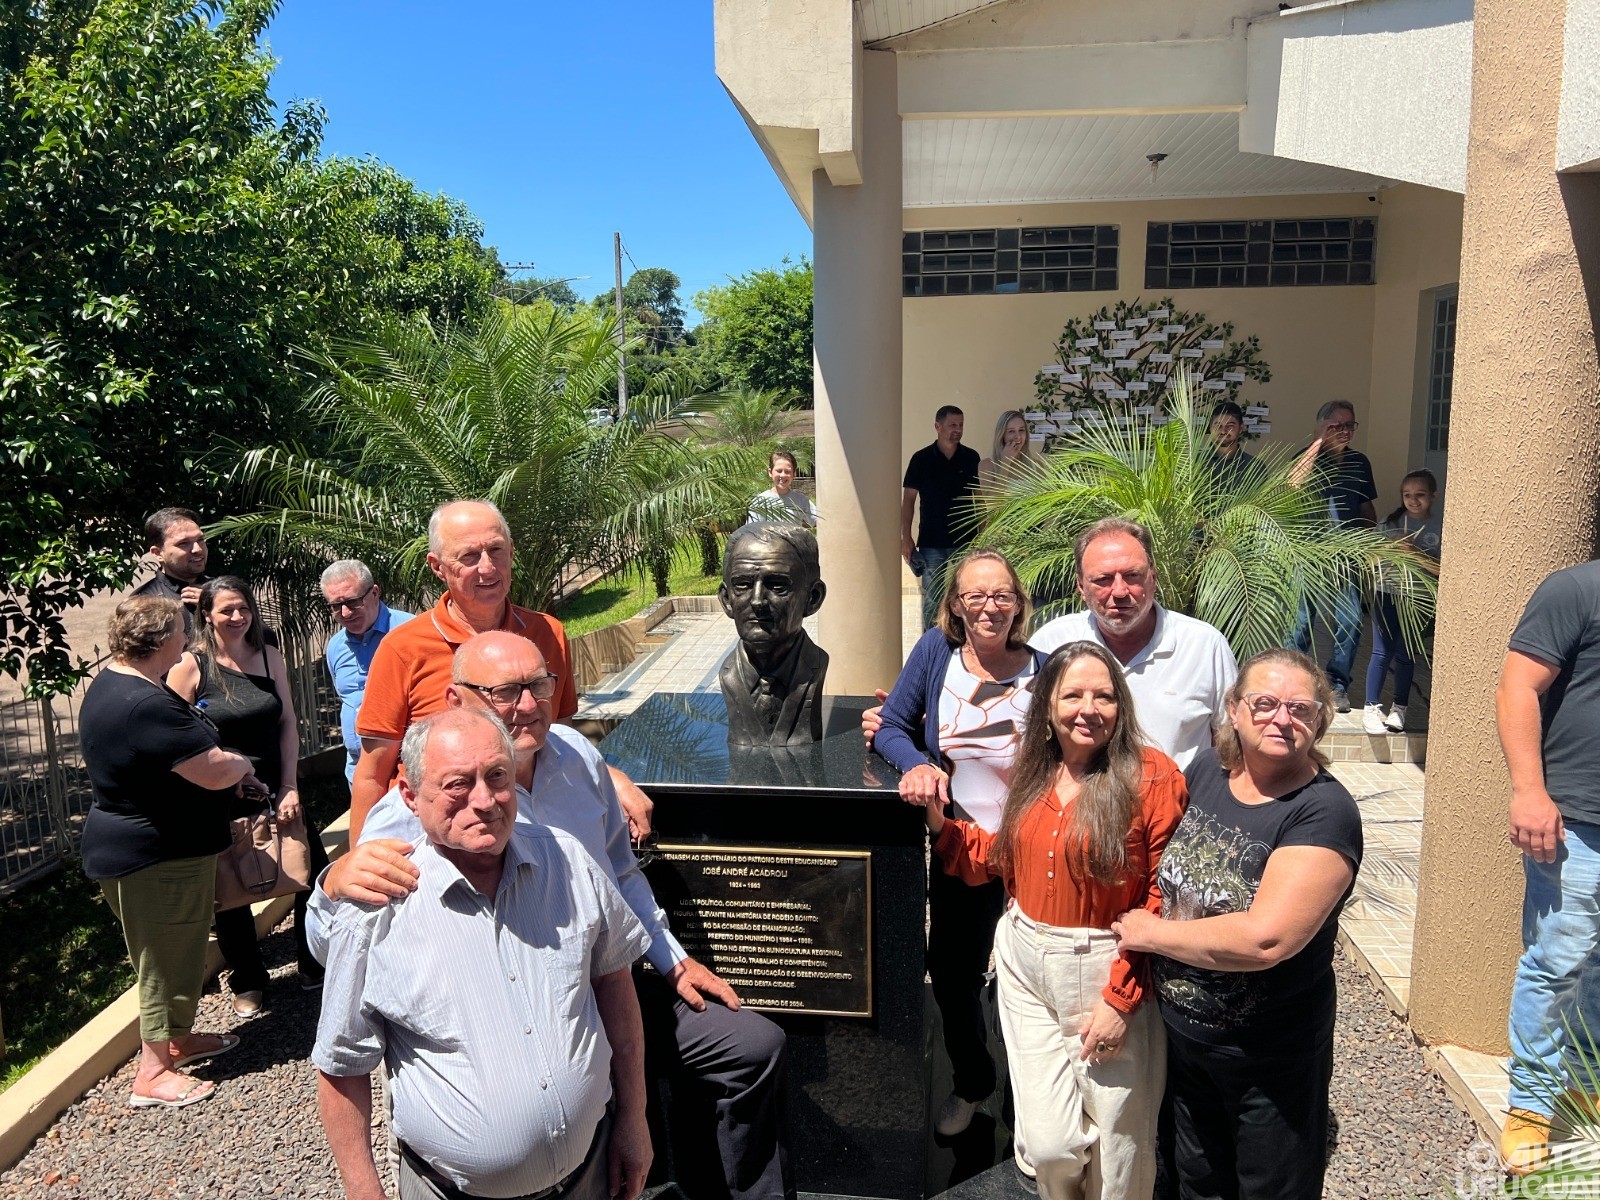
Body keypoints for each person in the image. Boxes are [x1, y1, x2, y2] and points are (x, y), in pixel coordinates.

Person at [311, 632, 795, 1200]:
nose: (527, 704)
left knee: (751, 1043)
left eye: (539, 686)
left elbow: (620, 875)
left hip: (596, 984)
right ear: (456, 699)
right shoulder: (400, 819)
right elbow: (339, 956)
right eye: (505, 691)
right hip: (470, 1118)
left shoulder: (578, 769)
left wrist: (674, 961)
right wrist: (331, 885)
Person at [313, 708, 654, 1200]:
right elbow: (342, 1065)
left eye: (498, 776)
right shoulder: (374, 909)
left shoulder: (568, 862)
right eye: (457, 784)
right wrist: (364, 1191)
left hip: (590, 1173)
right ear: (410, 795)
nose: (485, 801)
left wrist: (634, 1122)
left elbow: (615, 988)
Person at [905, 642, 1186, 1199]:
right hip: (1024, 960)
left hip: (1106, 965)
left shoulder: (1153, 777)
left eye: (1104, 695)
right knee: (1050, 1146)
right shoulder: (1035, 767)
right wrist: (942, 825)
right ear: (1048, 704)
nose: (1089, 708)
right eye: (1072, 694)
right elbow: (1003, 856)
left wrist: (1121, 998)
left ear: (1121, 704)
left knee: (1118, 1143)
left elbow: (1162, 899)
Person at [1112, 648, 1363, 1200]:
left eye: (1301, 708)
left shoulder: (1322, 812)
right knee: (1196, 1181)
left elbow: (1265, 938)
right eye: (1265, 703)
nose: (1282, 719)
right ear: (1234, 709)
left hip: (1268, 1057)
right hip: (1184, 1042)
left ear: (1319, 720)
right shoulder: (1207, 771)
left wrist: (1151, 936)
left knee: (1269, 1189)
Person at [350, 499, 652, 844]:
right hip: (438, 840)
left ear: (511, 551)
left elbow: (557, 744)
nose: (487, 567)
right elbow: (373, 773)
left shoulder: (547, 633)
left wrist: (610, 777)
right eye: (468, 556)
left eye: (496, 550)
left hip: (537, 833)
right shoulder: (402, 649)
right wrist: (355, 860)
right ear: (437, 566)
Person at [875, 550, 1048, 1137]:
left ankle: (1032, 1100)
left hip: (1037, 849)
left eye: (1001, 595)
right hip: (962, 846)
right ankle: (973, 1083)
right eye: (974, 595)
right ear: (953, 604)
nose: (988, 606)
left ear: (1019, 603)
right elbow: (893, 724)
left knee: (1034, 974)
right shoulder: (936, 653)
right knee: (953, 973)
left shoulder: (1045, 671)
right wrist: (919, 768)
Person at [79, 595, 261, 1108]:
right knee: (165, 959)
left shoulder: (118, 685)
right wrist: (242, 765)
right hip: (154, 856)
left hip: (149, 848)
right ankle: (153, 1073)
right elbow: (210, 769)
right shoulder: (147, 704)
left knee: (179, 955)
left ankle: (175, 1039)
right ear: (162, 641)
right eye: (183, 632)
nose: (189, 640)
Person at [169, 577, 329, 1012]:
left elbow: (288, 725)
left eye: (243, 608)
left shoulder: (269, 656)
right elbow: (177, 736)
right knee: (230, 887)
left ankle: (312, 961)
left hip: (278, 788)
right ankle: (248, 978)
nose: (237, 618)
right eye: (226, 611)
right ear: (206, 614)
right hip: (221, 793)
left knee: (313, 873)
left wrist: (290, 785)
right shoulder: (190, 666)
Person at [1495, 562, 1600, 1174]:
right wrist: (1528, 790)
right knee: (1558, 961)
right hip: (1578, 820)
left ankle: (1584, 1091)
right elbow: (1517, 687)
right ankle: (1530, 1107)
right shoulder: (1577, 589)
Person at [1031, 518, 1238, 768]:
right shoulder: (1052, 642)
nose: (1119, 591)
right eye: (1103, 580)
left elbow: (1230, 739)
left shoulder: (1204, 646)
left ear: (1153, 576)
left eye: (1132, 576)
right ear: (1081, 587)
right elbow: (1027, 732)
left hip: (1179, 804)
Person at [1289, 401, 1377, 711]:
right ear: (1322, 426)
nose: (1344, 432)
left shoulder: (1360, 463)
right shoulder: (1305, 458)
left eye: (1350, 425)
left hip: (1345, 556)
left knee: (1351, 621)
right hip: (1308, 555)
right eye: (1336, 426)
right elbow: (1291, 487)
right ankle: (1294, 680)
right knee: (1299, 624)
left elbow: (1366, 506)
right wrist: (1318, 444)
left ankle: (1337, 684)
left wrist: (1370, 544)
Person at [719, 522, 829, 746]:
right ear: (726, 600)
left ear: (813, 598)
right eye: (742, 585)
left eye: (777, 585)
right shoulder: (728, 674)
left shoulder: (816, 665)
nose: (757, 600)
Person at [1361, 470, 1442, 735]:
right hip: (1387, 592)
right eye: (1407, 495)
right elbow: (1369, 561)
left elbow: (1442, 570)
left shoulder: (1440, 527)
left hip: (1417, 598)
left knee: (1406, 655)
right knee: (1381, 652)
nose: (1413, 500)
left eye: (1420, 495)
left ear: (1432, 496)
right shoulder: (1389, 523)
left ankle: (1399, 709)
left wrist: (1414, 553)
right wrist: (1389, 551)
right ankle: (1372, 707)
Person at [321, 558, 412, 786]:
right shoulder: (336, 647)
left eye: (352, 602)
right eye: (335, 606)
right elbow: (346, 699)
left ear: (374, 593)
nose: (345, 613)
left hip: (405, 771)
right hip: (358, 773)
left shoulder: (411, 633)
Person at [903, 405, 982, 630]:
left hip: (966, 541)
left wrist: (984, 533)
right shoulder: (921, 459)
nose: (958, 430)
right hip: (931, 542)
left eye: (961, 425)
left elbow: (980, 499)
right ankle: (931, 646)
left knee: (965, 594)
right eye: (952, 425)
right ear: (938, 427)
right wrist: (906, 537)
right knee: (933, 598)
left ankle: (963, 640)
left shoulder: (971, 457)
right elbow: (908, 500)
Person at [130, 507, 210, 635]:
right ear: (158, 553)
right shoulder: (144, 604)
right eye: (184, 543)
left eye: (200, 540)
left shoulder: (223, 589)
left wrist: (218, 605)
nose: (198, 549)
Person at [747, 450, 817, 527]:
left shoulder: (801, 500)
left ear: (794, 474)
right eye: (779, 471)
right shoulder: (759, 501)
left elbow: (818, 521)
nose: (783, 475)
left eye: (787, 471)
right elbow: (751, 532)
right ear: (770, 472)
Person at [978, 410, 1034, 491]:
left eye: (1021, 430)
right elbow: (992, 503)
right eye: (1011, 431)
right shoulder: (987, 465)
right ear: (1002, 435)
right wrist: (1005, 463)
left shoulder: (1036, 466)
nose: (1018, 437)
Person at [1205, 402, 1255, 482]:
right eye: (1218, 425)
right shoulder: (1194, 463)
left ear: (1241, 428)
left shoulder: (1254, 466)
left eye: (1230, 426)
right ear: (1210, 428)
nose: (1223, 431)